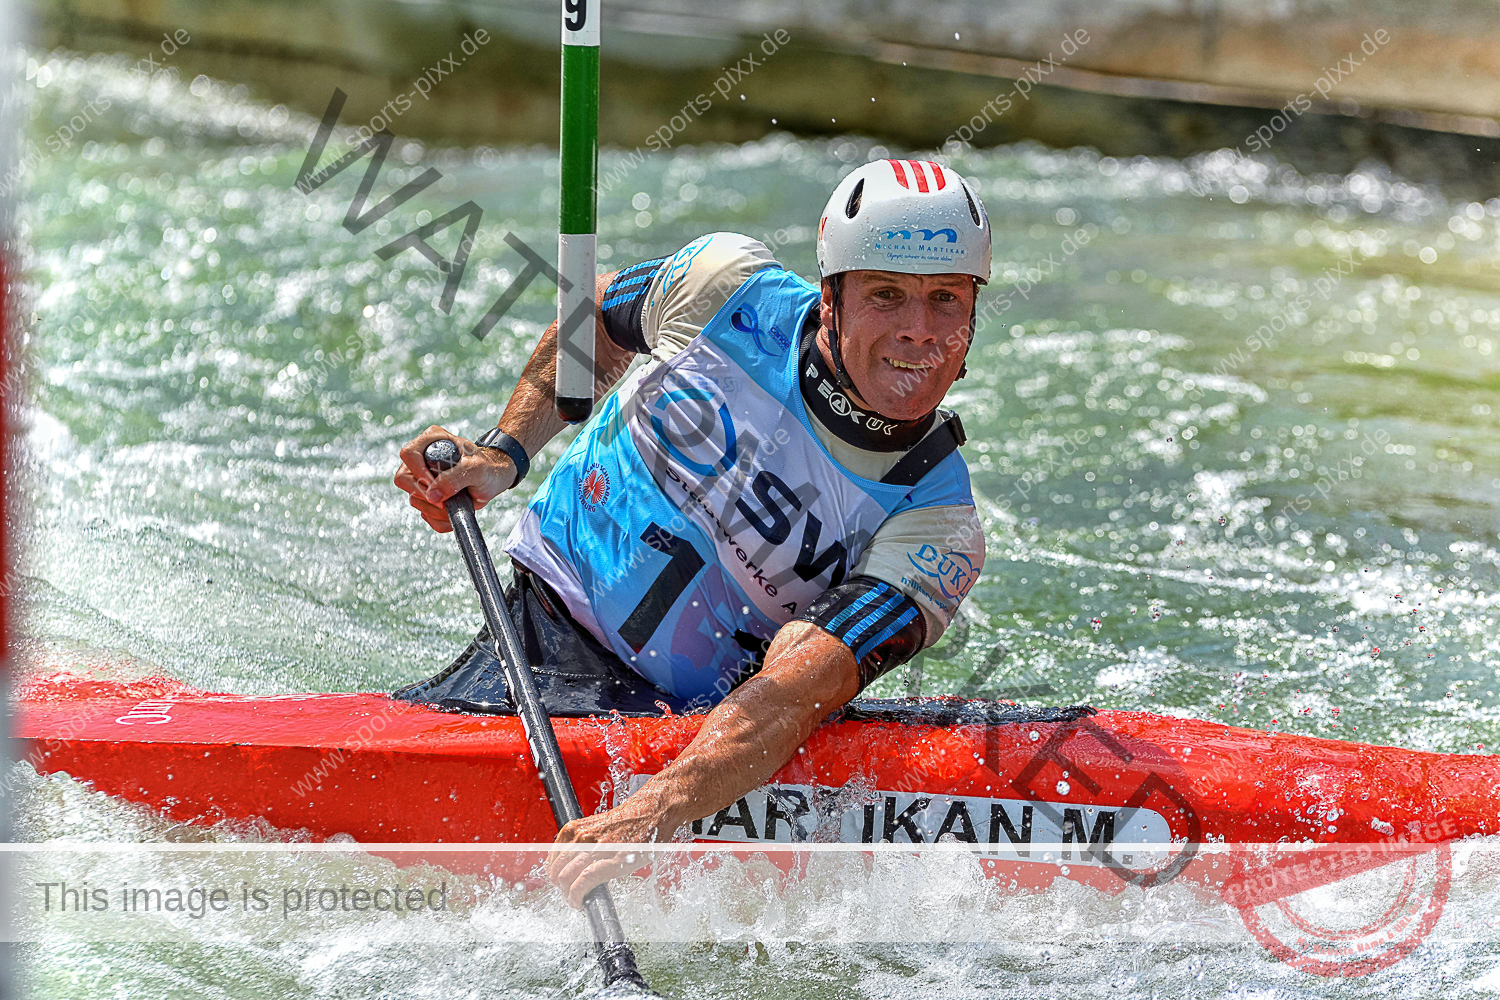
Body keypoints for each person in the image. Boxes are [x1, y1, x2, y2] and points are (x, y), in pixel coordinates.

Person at [394, 158, 991, 906]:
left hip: (682, 737)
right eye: (886, 294)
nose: (918, 330)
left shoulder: (937, 525)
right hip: (528, 639)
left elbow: (797, 691)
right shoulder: (722, 287)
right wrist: (504, 452)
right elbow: (599, 319)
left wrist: (653, 810)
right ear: (831, 298)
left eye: (946, 298)